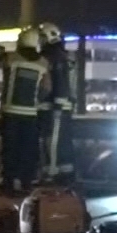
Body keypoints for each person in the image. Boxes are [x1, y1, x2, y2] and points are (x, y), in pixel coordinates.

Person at [0, 28, 50, 192]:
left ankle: (8, 182)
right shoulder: (43, 63)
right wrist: (36, 100)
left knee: (10, 149)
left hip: (10, 111)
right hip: (30, 113)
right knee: (28, 149)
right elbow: (47, 88)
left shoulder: (11, 58)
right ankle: (26, 182)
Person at [38, 23, 76, 184]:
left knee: (51, 140)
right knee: (62, 141)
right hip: (63, 105)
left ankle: (51, 173)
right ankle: (66, 172)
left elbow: (59, 82)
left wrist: (57, 104)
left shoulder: (52, 56)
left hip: (55, 106)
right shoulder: (62, 55)